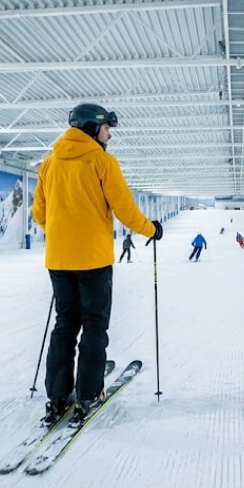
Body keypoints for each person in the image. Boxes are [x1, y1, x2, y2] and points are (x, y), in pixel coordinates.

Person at [33, 103, 163, 426]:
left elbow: (39, 214)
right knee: (93, 325)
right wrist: (153, 230)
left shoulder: (48, 165)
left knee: (65, 325)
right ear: (92, 128)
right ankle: (89, 394)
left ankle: (57, 396)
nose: (110, 135)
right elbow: (125, 211)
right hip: (93, 262)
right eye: (107, 129)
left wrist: (62, 234)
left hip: (59, 262)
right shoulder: (102, 162)